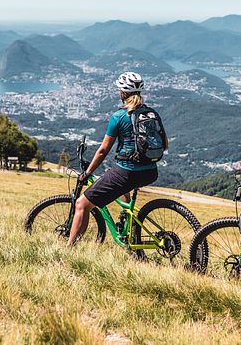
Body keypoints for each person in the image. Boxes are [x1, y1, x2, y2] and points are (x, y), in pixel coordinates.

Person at [67, 72, 167, 245]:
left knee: (82, 204)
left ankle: (69, 248)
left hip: (128, 173)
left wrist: (87, 173)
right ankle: (126, 212)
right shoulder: (151, 113)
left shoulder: (119, 117)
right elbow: (164, 143)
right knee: (113, 174)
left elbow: (103, 150)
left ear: (122, 93)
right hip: (150, 171)